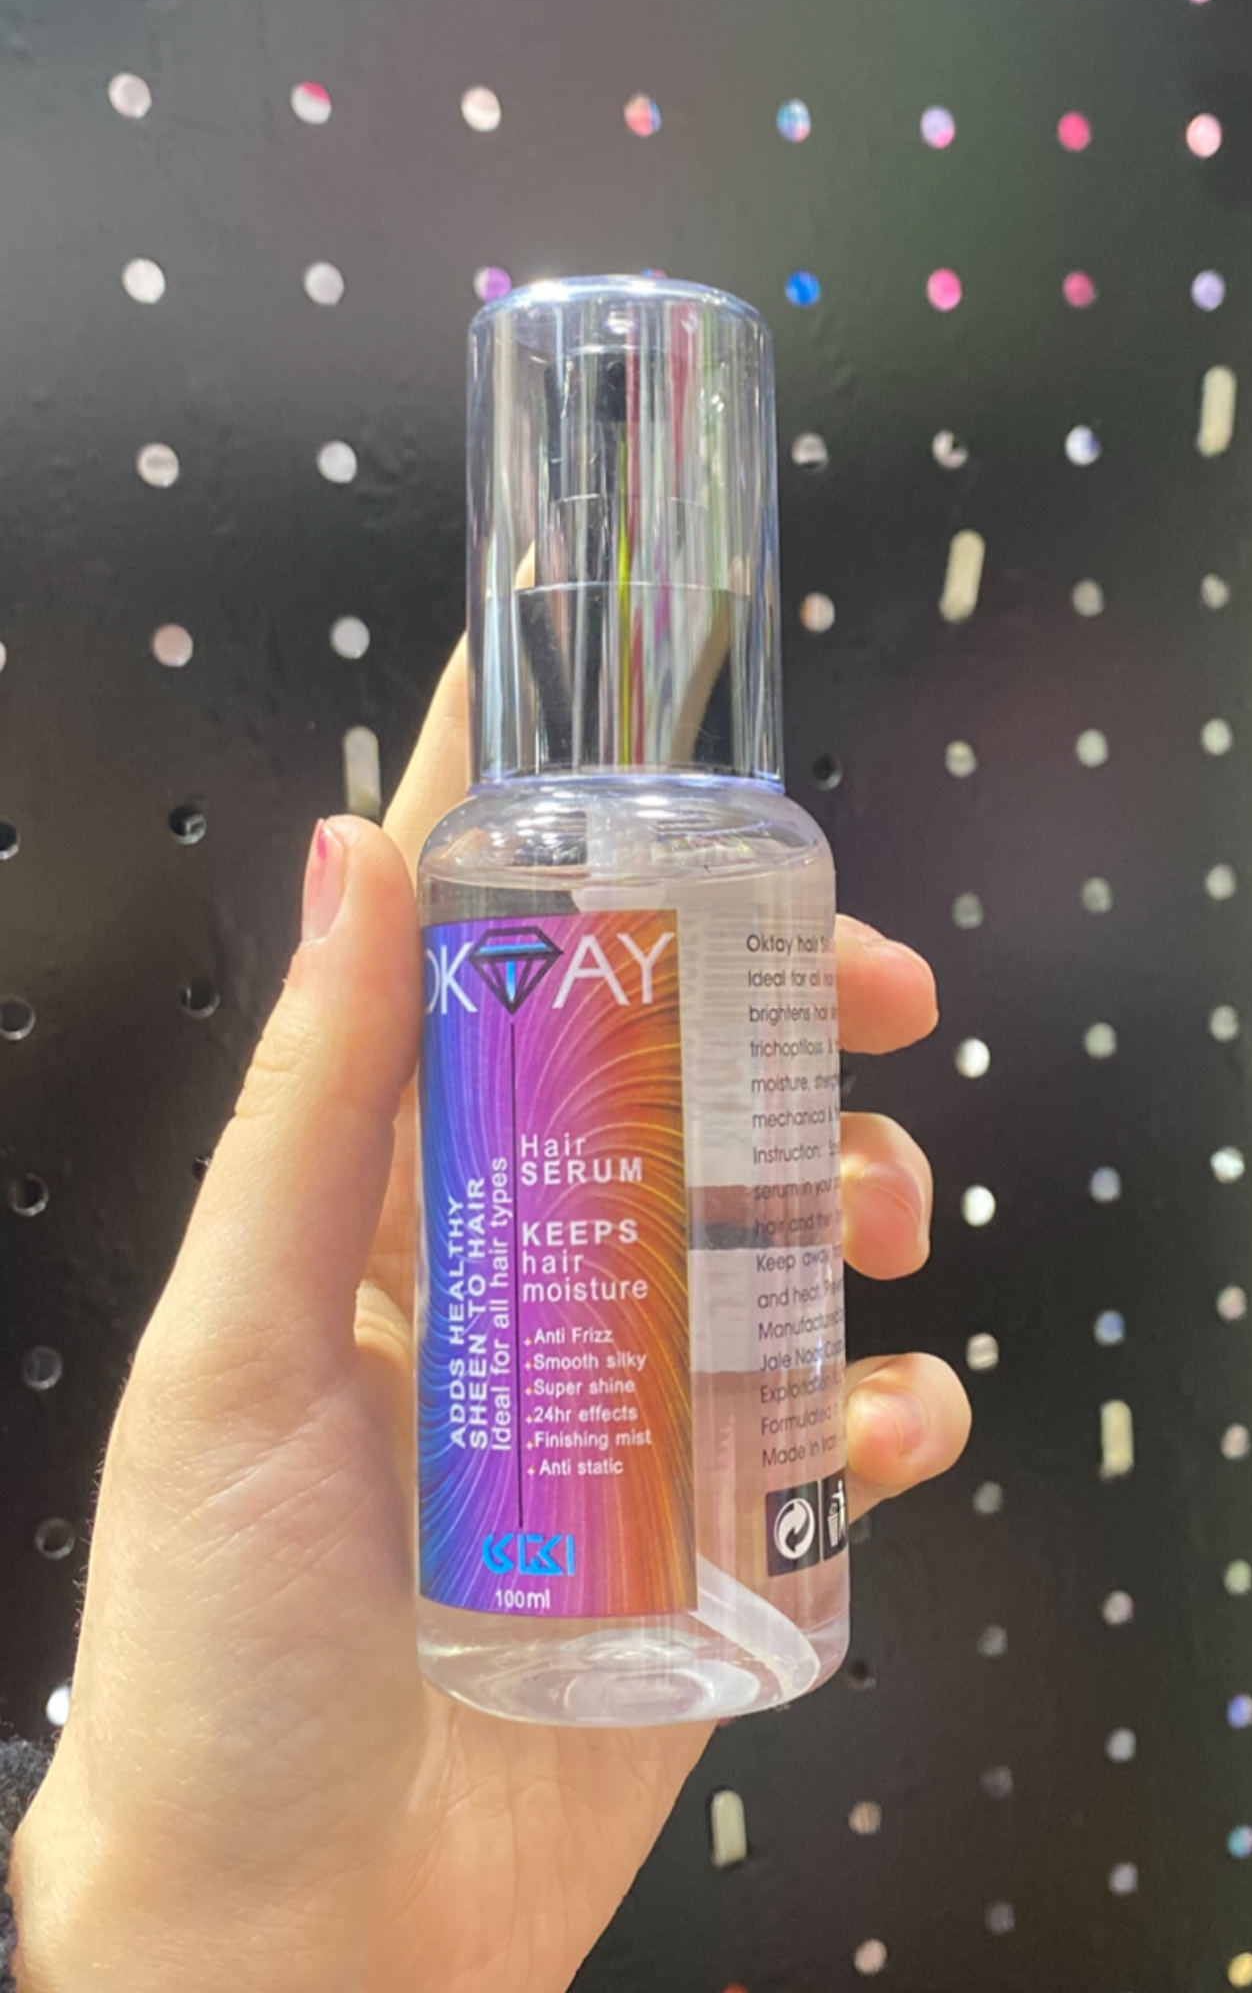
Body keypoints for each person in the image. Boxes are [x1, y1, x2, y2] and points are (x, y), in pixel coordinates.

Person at [5, 645, 970, 1992]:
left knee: (802, 1219)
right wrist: (191, 1926)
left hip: (652, 1637)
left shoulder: (755, 848)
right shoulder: (485, 858)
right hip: (456, 1655)